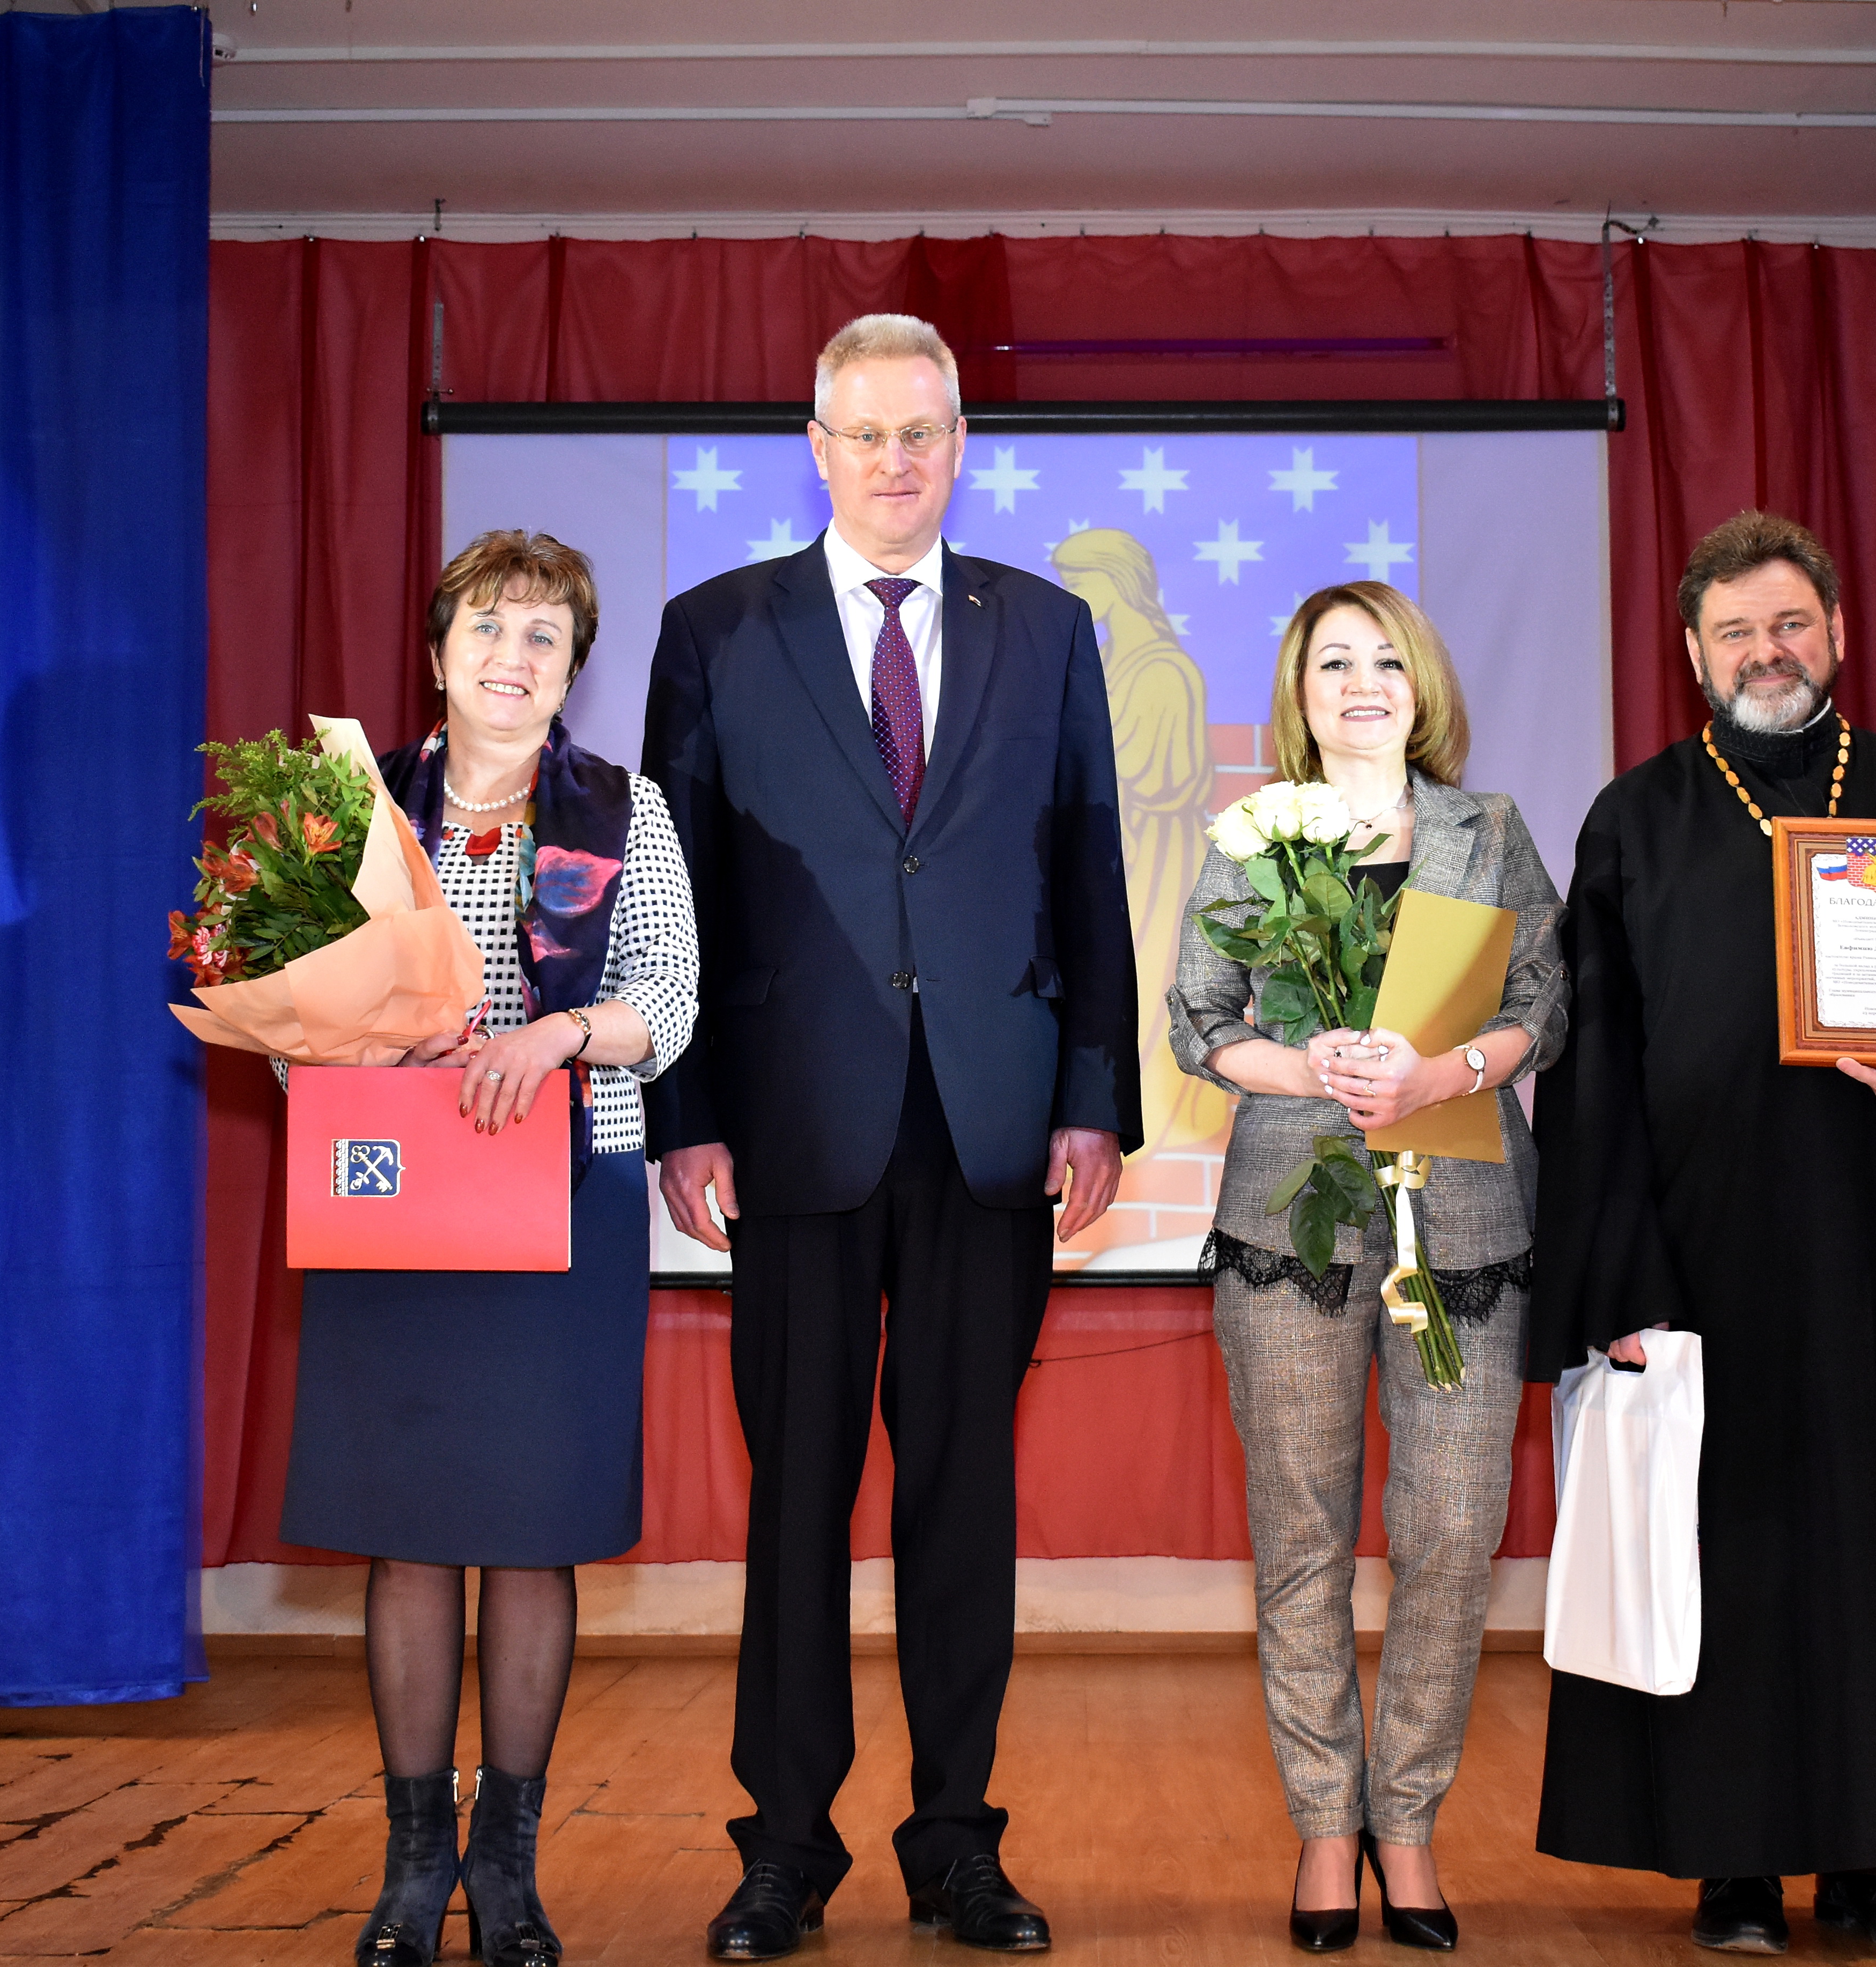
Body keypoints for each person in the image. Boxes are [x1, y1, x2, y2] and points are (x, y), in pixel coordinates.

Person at [640, 314, 1140, 1960]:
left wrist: (1094, 1093)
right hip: (789, 1127)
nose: (893, 460)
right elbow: (677, 893)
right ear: (814, 443)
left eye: (920, 431)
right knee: (797, 1496)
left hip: (989, 1128)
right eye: (863, 434)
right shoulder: (712, 627)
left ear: (960, 439)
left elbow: (1089, 876)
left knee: (962, 1496)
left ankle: (955, 1840)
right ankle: (784, 1843)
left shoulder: (1047, 627)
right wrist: (686, 1112)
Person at [1527, 511, 1876, 1955]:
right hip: (1705, 1266)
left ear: (1835, 633)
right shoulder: (1634, 821)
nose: (1766, 653)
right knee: (1730, 1563)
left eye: (1790, 625)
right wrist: (1621, 1275)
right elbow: (1592, 1073)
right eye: (1736, 632)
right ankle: (1731, 1868)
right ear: (1694, 654)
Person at [279, 530, 700, 1967]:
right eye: (489, 629)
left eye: (544, 638)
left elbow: (671, 998)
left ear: (572, 669)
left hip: (568, 1190)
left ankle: (506, 1864)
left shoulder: (621, 808)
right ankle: (411, 1862)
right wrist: (349, 1044)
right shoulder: (354, 807)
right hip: (392, 1198)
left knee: (532, 1529)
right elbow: (278, 1006)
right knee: (407, 1530)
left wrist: (557, 1034)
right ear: (440, 649)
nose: (512, 659)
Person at [1166, 582, 1568, 1954]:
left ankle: (1411, 1824)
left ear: (1422, 683)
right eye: (1331, 660)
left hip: (1464, 1225)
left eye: (1384, 659)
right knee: (1303, 1543)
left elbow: (1544, 1005)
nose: (1360, 681)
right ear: (1297, 688)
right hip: (1291, 1224)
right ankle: (1327, 1833)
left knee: (1453, 1536)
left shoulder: (1488, 831)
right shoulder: (1248, 834)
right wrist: (1313, 1067)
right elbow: (1195, 1018)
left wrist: (1445, 1070)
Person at [1049, 526, 1228, 1156]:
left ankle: (1153, 1127)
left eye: (1081, 581)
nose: (1072, 595)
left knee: (1146, 982)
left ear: (1116, 581)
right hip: (1109, 849)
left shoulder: (1162, 668)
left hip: (1151, 854)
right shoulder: (1102, 657)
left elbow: (1169, 778)